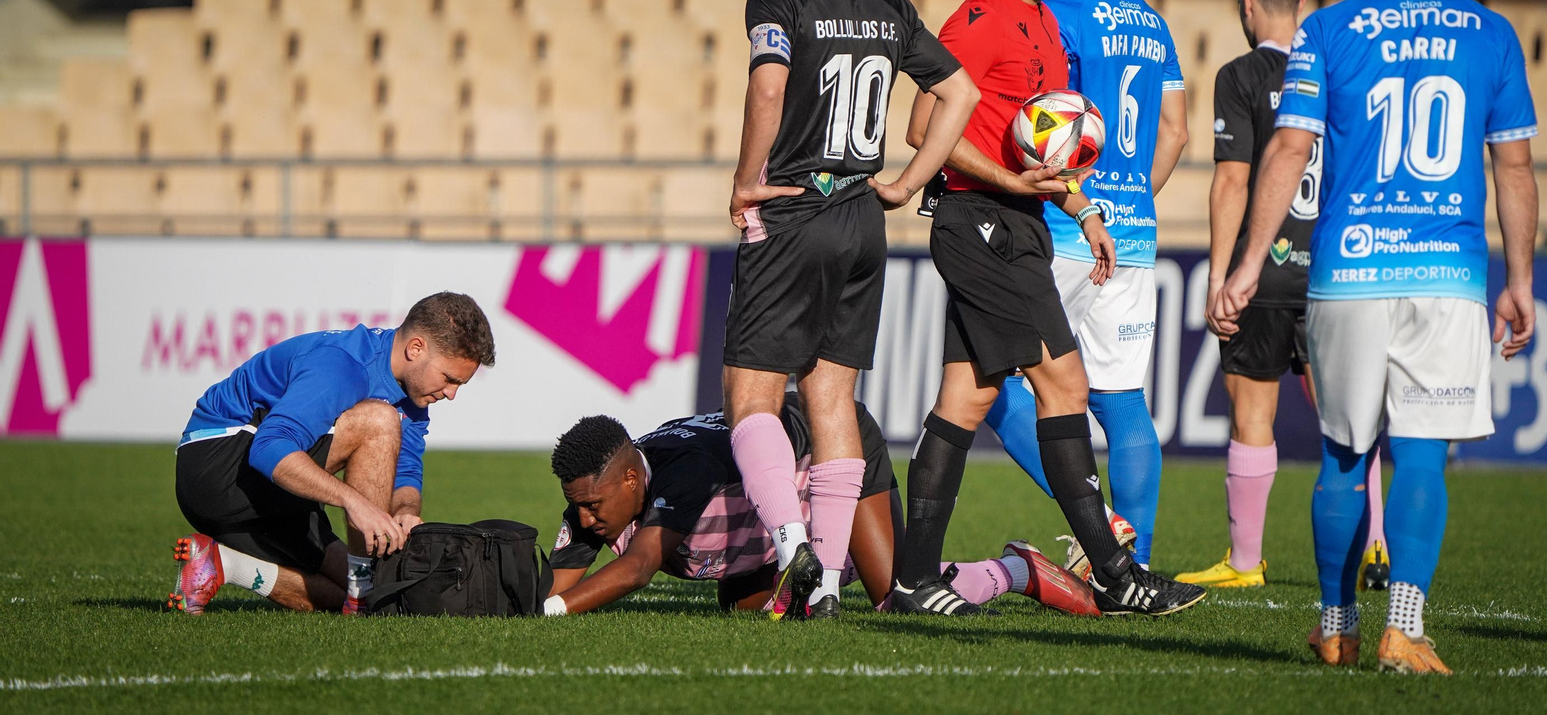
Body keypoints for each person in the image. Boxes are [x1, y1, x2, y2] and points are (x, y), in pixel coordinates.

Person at [1213, 0, 1538, 673]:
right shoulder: (1492, 33)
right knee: (1421, 455)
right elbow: (1517, 167)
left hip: (1348, 273)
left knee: (1343, 458)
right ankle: (1405, 627)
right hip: (1446, 272)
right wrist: (1520, 279)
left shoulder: (1328, 29)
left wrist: (1247, 263)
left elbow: (1287, 150)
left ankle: (1335, 625)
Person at [894, 0, 1204, 617]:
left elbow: (1048, 146)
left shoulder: (1047, 26)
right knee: (1065, 384)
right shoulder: (976, 19)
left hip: (1025, 221)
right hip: (981, 225)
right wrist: (1012, 179)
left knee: (964, 400)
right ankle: (1117, 571)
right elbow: (918, 131)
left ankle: (911, 578)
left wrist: (1084, 208)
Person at [724, 0, 979, 619]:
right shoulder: (887, 3)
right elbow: (960, 90)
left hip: (794, 208)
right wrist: (908, 181)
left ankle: (790, 539)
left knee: (751, 399)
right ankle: (829, 583)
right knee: (833, 395)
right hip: (864, 215)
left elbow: (768, 87)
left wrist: (745, 181)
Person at [981, 0, 1186, 569]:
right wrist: (1127, 200)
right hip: (1132, 235)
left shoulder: (1056, 16)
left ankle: (1101, 524)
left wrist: (1082, 203)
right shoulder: (1154, 22)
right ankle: (1139, 565)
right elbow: (1177, 131)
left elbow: (1033, 116)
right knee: (1122, 400)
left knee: (993, 385)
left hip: (1060, 227)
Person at [1176, 0, 1388, 590]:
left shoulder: (1239, 77)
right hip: (1335, 271)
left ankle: (1245, 563)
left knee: (1253, 416)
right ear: (1302, 1)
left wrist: (1219, 277)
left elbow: (1232, 182)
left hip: (1262, 273)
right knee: (1349, 415)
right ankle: (1376, 545)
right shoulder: (1338, 66)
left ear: (1244, 4)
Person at [543, 398, 1093, 618]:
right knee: (748, 613)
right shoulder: (605, 492)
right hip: (769, 521)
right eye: (580, 510)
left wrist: (552, 613)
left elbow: (637, 568)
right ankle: (819, 563)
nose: (588, 521)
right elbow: (555, 589)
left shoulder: (679, 473)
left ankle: (1017, 570)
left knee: (896, 596)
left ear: (632, 479)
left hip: (837, 444)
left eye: (592, 507)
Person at [167, 292, 495, 615]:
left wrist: (407, 511)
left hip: (262, 497)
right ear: (416, 348)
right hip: (216, 467)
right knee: (379, 420)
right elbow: (269, 448)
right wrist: (356, 503)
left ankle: (221, 564)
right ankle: (363, 588)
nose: (451, 394)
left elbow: (405, 472)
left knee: (359, 593)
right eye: (449, 379)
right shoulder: (342, 363)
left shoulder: (414, 395)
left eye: (459, 385)